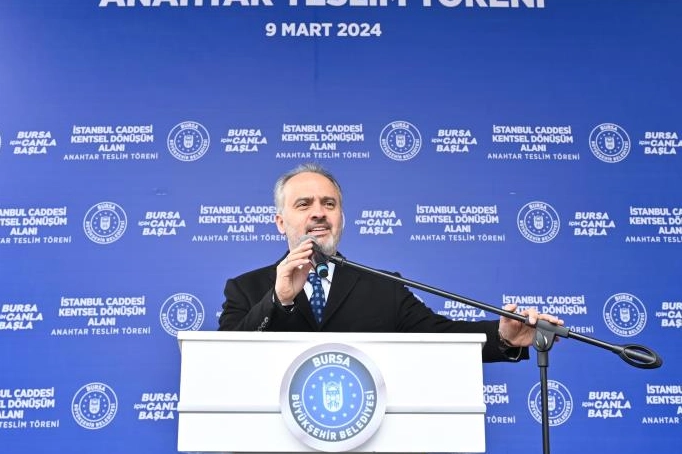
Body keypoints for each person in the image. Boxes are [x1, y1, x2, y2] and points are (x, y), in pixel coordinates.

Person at [218, 162, 563, 362]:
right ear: (280, 222)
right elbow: (224, 358)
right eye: (304, 204)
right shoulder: (246, 288)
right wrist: (278, 300)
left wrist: (503, 336)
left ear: (341, 218)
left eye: (329, 204)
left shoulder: (384, 287)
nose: (319, 213)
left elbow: (442, 337)